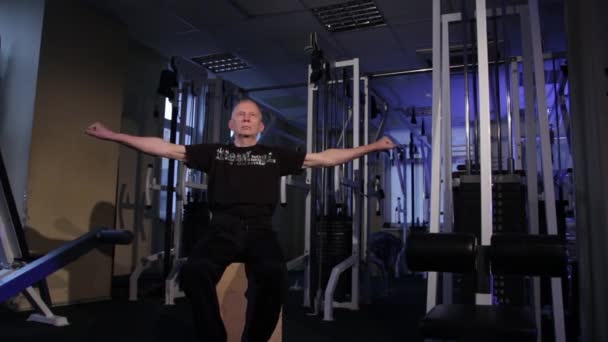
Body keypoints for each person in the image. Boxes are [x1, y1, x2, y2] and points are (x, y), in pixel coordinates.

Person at [85, 98, 395, 342]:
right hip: (221, 229)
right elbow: (163, 147)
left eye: (253, 115)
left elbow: (326, 158)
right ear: (232, 123)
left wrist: (373, 146)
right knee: (194, 272)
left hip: (261, 230)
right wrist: (113, 135)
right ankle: (214, 337)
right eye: (241, 114)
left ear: (261, 126)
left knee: (275, 276)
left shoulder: (275, 154)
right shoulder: (214, 153)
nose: (246, 118)